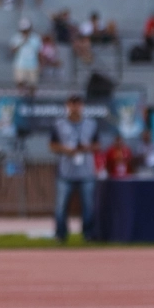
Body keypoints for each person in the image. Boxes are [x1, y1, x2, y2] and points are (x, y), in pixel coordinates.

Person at [50, 96, 101, 243]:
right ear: (67, 106)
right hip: (66, 172)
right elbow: (52, 145)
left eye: (78, 105)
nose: (75, 108)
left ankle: (88, 234)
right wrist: (66, 149)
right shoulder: (59, 124)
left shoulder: (91, 124)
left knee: (88, 206)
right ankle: (61, 234)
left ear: (82, 106)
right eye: (72, 105)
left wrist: (86, 148)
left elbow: (97, 145)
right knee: (61, 206)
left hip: (86, 172)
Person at [10, 19, 42, 95]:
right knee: (20, 82)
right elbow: (12, 50)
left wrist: (40, 64)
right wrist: (22, 41)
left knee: (33, 84)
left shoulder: (35, 38)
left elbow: (39, 52)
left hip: (33, 65)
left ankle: (31, 98)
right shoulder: (17, 37)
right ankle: (21, 96)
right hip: (20, 64)